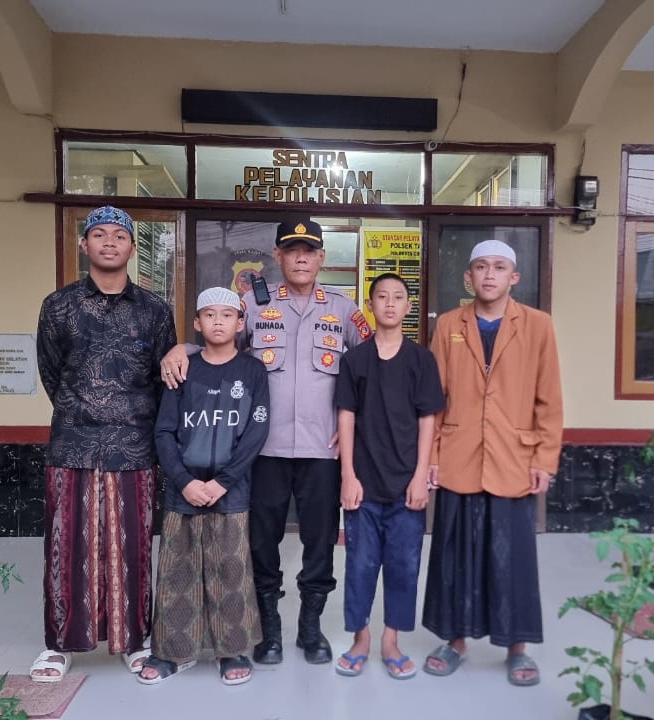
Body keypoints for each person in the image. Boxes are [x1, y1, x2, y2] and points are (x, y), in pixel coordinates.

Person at [160, 219, 370, 666]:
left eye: (309, 251)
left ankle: (311, 630)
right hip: (262, 451)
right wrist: (183, 349)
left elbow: (372, 365)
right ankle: (268, 631)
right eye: (291, 250)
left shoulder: (343, 308)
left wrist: (358, 425)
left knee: (320, 543)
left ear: (321, 258)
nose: (300, 258)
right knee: (261, 543)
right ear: (278, 256)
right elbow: (218, 341)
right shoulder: (255, 305)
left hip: (322, 451)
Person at [32, 205, 177, 683]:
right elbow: (51, 372)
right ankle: (59, 645)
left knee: (132, 548)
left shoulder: (155, 311)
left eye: (119, 235)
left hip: (134, 448)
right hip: (73, 444)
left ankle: (133, 641)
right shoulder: (59, 306)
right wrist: (82, 411)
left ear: (133, 247)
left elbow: (165, 378)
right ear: (84, 244)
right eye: (99, 234)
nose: (109, 242)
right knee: (66, 545)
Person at [421, 239, 563, 687]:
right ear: (469, 277)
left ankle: (517, 646)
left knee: (512, 555)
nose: (489, 275)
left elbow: (549, 399)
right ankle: (455, 641)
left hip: (514, 458)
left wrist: (545, 458)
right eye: (481, 267)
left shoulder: (538, 325)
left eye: (499, 267)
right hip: (459, 455)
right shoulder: (449, 325)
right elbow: (434, 398)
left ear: (513, 277)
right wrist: (432, 456)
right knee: (455, 554)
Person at [141, 287, 271, 686]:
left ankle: (231, 650)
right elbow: (164, 431)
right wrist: (183, 481)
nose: (218, 322)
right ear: (196, 323)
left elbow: (256, 431)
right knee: (177, 571)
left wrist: (223, 482)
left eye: (227, 315)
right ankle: (171, 651)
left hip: (231, 489)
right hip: (183, 489)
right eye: (209, 315)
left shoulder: (253, 371)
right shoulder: (183, 368)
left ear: (240, 323)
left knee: (230, 569)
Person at [333, 272, 444, 680]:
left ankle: (391, 640)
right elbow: (346, 417)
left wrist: (420, 476)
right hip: (363, 485)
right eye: (382, 296)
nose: (391, 303)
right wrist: (348, 475)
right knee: (360, 565)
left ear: (408, 306)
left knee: (403, 565)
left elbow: (428, 419)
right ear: (370, 305)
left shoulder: (421, 360)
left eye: (398, 297)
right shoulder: (354, 360)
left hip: (405, 486)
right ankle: (360, 638)